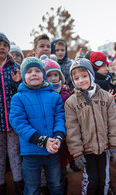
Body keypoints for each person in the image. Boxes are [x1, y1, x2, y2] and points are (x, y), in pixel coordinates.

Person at [65, 58, 116, 194]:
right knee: (91, 181)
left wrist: (115, 145)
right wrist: (77, 152)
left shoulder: (106, 97)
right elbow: (72, 129)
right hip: (86, 150)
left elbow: (114, 122)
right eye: (77, 78)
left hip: (104, 148)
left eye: (84, 76)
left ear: (91, 75)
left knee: (103, 180)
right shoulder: (71, 102)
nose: (81, 80)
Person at [9, 57, 65, 194]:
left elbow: (60, 118)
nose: (33, 73)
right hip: (31, 152)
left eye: (37, 70)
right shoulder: (18, 98)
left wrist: (58, 137)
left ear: (43, 75)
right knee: (32, 187)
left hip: (53, 149)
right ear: (23, 77)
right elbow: (18, 122)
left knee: (56, 184)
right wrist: (41, 140)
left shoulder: (54, 97)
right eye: (29, 72)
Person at [0, 32, 23, 194]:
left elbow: (23, 93)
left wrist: (18, 84)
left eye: (5, 45)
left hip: (13, 121)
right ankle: (0, 186)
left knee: (15, 153)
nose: (2, 47)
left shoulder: (15, 67)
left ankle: (19, 184)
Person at [43, 56, 72, 194]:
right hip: (47, 136)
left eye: (56, 74)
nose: (54, 78)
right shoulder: (42, 94)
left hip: (62, 136)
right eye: (49, 75)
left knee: (61, 167)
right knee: (48, 169)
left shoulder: (65, 94)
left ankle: (63, 187)